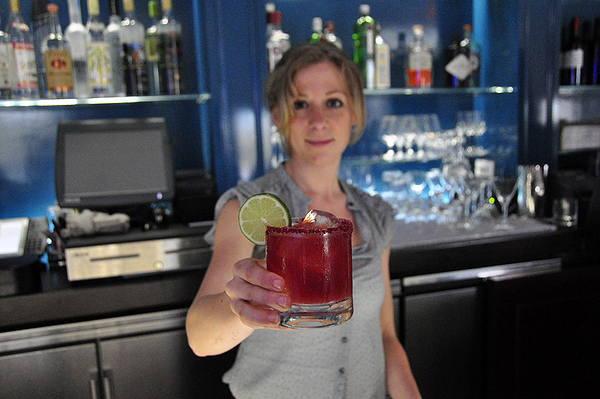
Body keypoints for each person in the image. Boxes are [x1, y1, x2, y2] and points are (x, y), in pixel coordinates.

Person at [186, 41, 421, 399]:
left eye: (334, 102)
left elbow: (386, 337)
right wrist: (241, 308)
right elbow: (200, 337)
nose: (318, 120)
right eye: (300, 104)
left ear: (355, 113)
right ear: (279, 116)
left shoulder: (375, 215)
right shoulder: (251, 209)